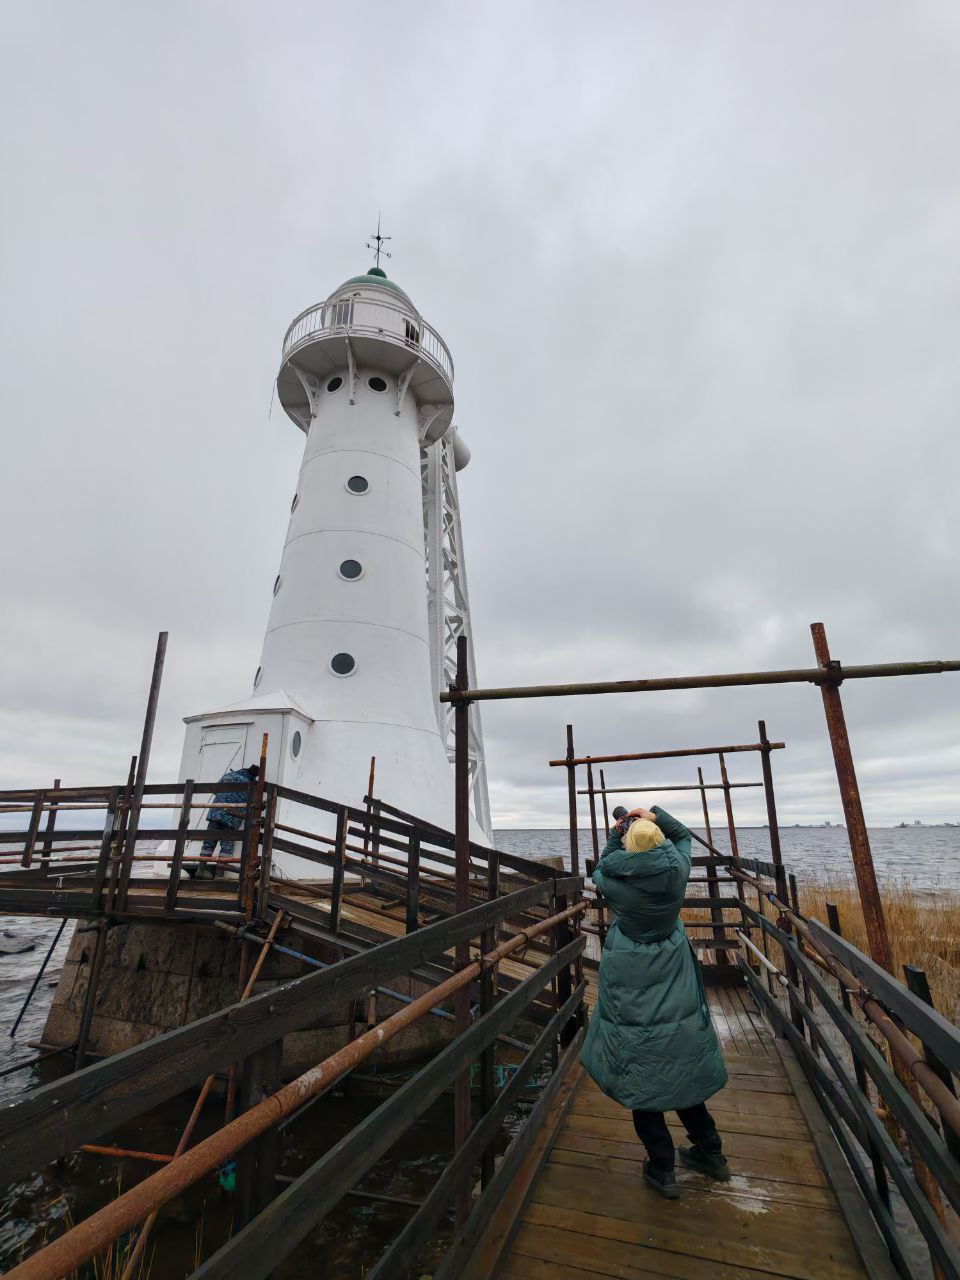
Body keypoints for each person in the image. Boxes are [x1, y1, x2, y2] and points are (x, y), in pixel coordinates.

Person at [580, 803, 729, 1198]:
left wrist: (617, 832)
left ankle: (662, 1168)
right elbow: (682, 837)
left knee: (642, 1072)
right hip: (672, 960)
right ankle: (710, 1150)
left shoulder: (617, 884)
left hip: (632, 970)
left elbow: (601, 867)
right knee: (680, 1064)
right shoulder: (677, 870)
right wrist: (654, 815)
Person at [185, 764, 260, 880]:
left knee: (208, 843)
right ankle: (219, 875)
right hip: (232, 818)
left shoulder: (228, 775)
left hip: (215, 814)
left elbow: (216, 791)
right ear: (253, 775)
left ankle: (201, 870)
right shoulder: (251, 784)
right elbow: (253, 802)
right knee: (226, 847)